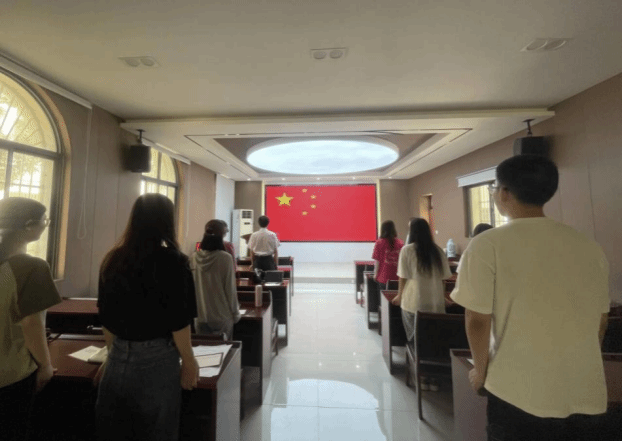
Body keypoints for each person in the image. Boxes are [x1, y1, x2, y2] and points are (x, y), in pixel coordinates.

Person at [451, 155, 611, 441]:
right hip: (585, 391)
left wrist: (480, 372)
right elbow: (601, 320)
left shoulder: (487, 244)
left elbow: (477, 320)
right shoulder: (589, 247)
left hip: (516, 392)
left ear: (504, 192)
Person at [96, 194, 199, 441]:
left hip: (117, 357)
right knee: (158, 432)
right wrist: (189, 361)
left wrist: (112, 355)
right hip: (157, 361)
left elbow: (105, 316)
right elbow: (179, 320)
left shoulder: (113, 258)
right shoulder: (174, 261)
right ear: (167, 221)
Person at [0, 198, 61, 441]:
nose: (46, 224)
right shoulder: (32, 267)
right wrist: (45, 366)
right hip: (11, 375)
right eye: (45, 220)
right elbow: (31, 324)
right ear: (28, 225)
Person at [393, 217, 452, 392]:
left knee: (415, 340)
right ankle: (433, 377)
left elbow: (403, 277)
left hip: (412, 303)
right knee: (433, 341)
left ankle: (422, 376)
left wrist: (399, 296)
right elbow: (443, 279)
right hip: (435, 305)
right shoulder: (438, 251)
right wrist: (442, 298)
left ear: (412, 232)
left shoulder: (407, 250)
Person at [191, 223, 241, 340]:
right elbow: (230, 289)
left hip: (200, 316)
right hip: (221, 316)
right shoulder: (225, 258)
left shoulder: (194, 257)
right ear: (221, 236)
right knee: (224, 349)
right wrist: (236, 313)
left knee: (203, 349)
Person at [372, 220, 404, 289]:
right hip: (398, 278)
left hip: (383, 278)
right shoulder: (400, 243)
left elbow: (377, 261)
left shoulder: (379, 243)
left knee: (384, 296)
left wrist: (375, 274)